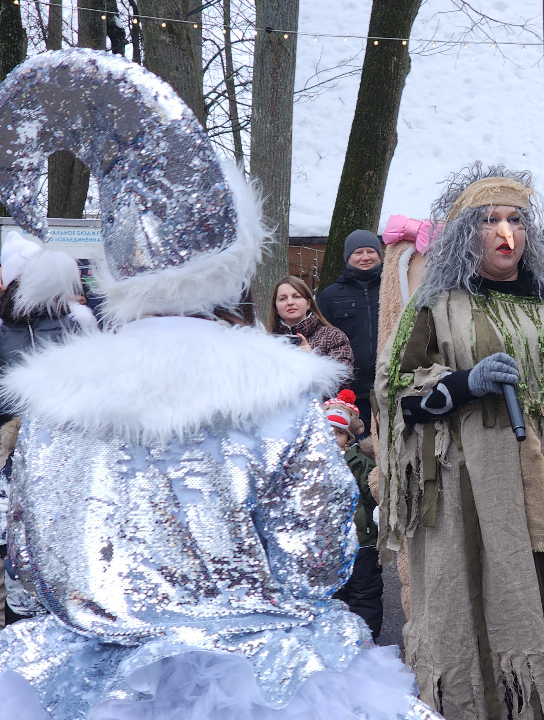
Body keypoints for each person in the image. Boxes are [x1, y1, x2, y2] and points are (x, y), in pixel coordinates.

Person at [0, 48, 440, 720]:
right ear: (229, 269)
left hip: (85, 683)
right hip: (259, 680)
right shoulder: (279, 396)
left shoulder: (54, 405)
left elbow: (27, 566)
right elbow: (319, 553)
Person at [376, 163, 544, 720]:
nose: (506, 234)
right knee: (481, 597)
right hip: (473, 486)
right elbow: (396, 392)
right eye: (489, 220)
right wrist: (463, 385)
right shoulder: (437, 305)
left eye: (516, 220)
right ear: (463, 235)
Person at [0, 239, 97, 627]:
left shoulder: (77, 321)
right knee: (13, 544)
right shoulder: (3, 327)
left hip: (65, 453)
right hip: (10, 451)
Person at [324, 389, 383, 642]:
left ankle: (366, 641)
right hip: (329, 543)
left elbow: (372, 497)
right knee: (334, 592)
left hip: (361, 541)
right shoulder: (315, 463)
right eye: (327, 433)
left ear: (348, 436)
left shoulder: (359, 462)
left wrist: (373, 486)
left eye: (338, 433)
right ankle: (338, 640)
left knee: (364, 592)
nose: (332, 438)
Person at [317, 230, 383, 434]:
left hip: (390, 389)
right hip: (350, 395)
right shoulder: (329, 296)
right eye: (358, 252)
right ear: (348, 257)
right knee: (357, 454)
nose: (365, 257)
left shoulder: (394, 290)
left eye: (371, 251)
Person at [269, 274, 354, 373]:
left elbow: (343, 378)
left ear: (308, 304)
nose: (290, 302)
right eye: (283, 299)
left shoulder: (334, 336)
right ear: (276, 308)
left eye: (296, 296)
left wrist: (312, 360)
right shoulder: (268, 343)